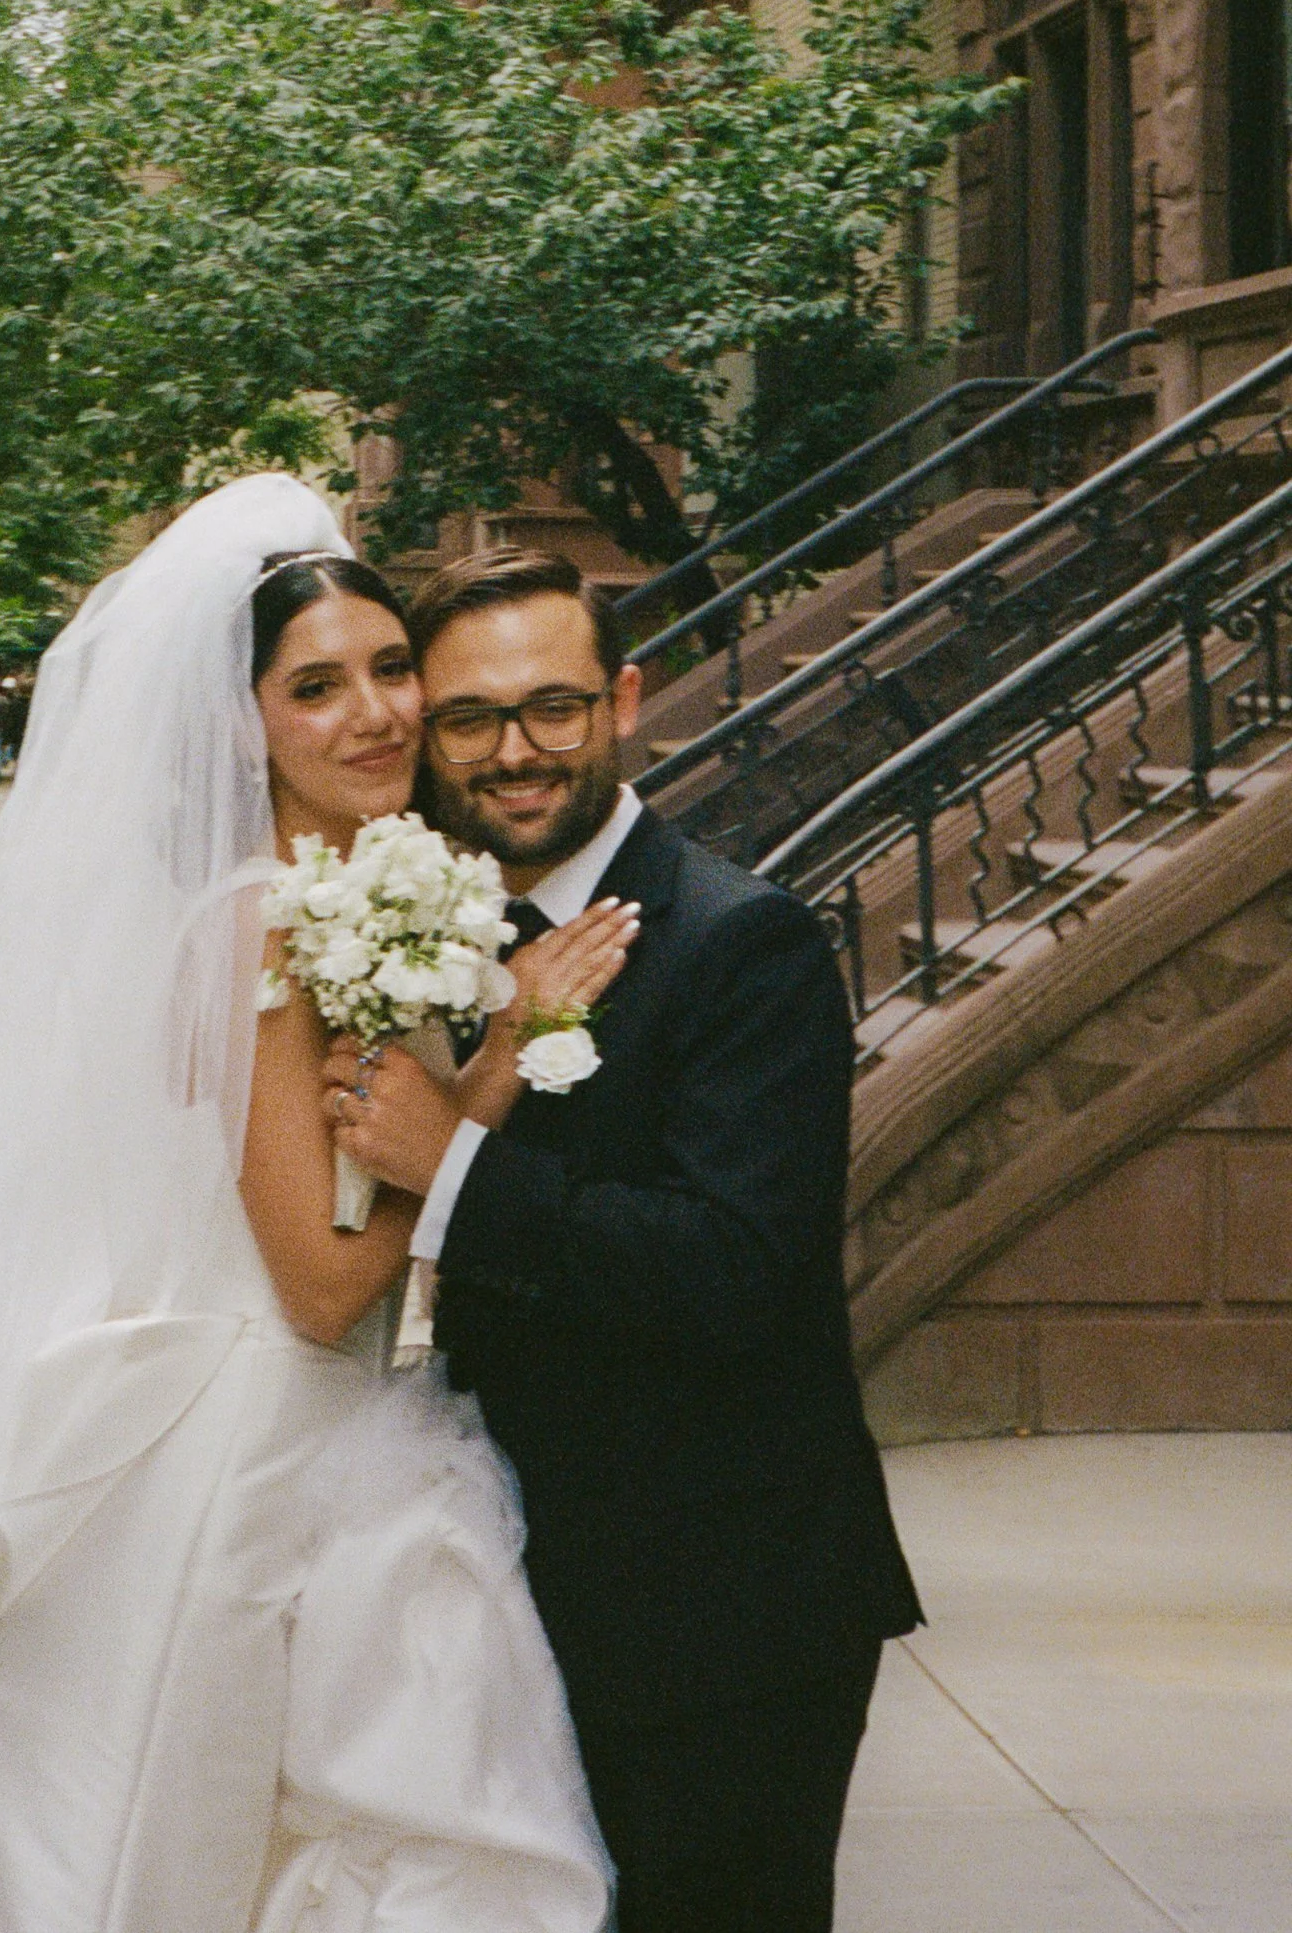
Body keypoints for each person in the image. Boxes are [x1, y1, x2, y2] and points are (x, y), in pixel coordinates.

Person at [0, 478, 623, 1933]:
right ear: (242, 719)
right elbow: (321, 1294)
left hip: (356, 1433)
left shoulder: (365, 889)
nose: (375, 713)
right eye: (315, 686)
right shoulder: (263, 919)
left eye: (391, 669)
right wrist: (496, 1071)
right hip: (275, 1467)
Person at [327, 545, 923, 1933]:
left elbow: (726, 1267)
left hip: (723, 1607)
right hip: (502, 1576)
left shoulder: (740, 940)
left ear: (625, 699)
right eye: (471, 718)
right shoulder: (426, 932)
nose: (515, 751)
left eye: (555, 705)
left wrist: (453, 1163)